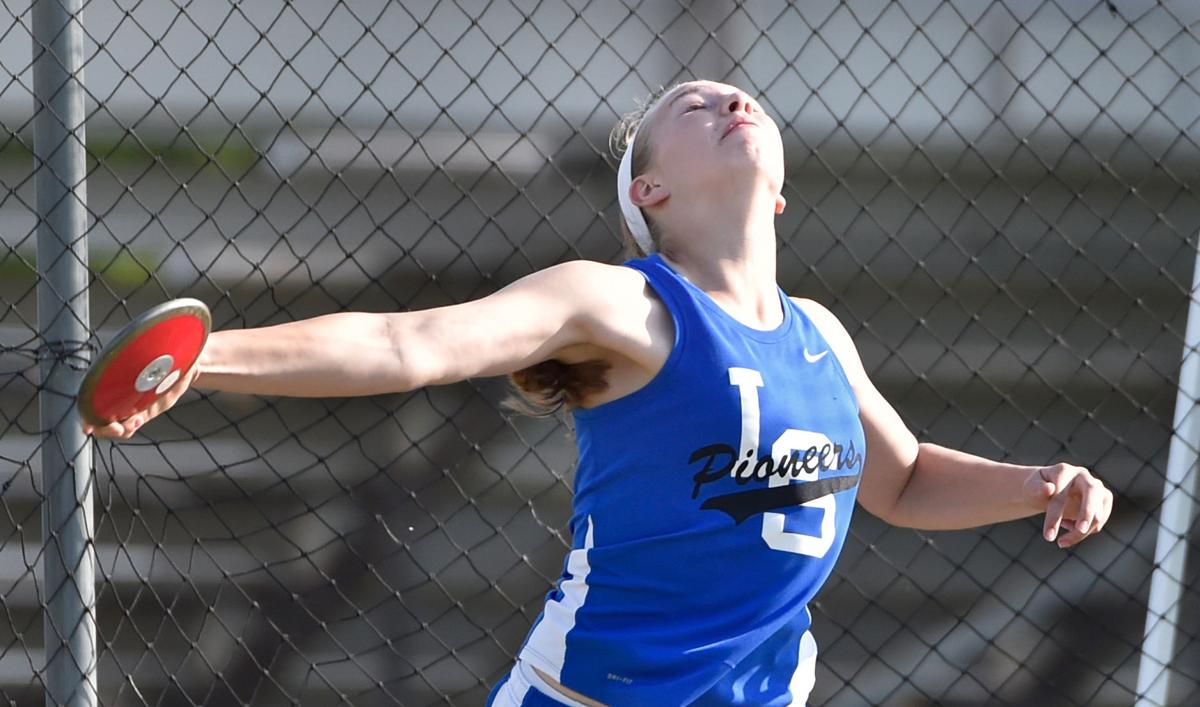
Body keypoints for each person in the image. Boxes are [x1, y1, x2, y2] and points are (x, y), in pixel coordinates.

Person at [85, 80, 1113, 706]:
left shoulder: (820, 335)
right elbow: (408, 341)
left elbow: (908, 479)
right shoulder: (622, 304)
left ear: (780, 193)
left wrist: (1038, 482)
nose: (730, 101)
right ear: (648, 191)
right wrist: (200, 357)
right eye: (693, 106)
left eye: (739, 98)